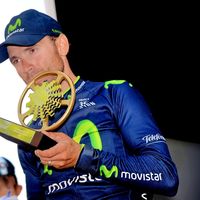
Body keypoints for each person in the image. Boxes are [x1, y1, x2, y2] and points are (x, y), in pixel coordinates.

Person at [0, 9, 179, 200]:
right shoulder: (31, 135)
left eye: (32, 50)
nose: (26, 68)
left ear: (61, 44)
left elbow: (165, 177)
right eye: (16, 60)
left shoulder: (113, 93)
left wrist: (81, 157)